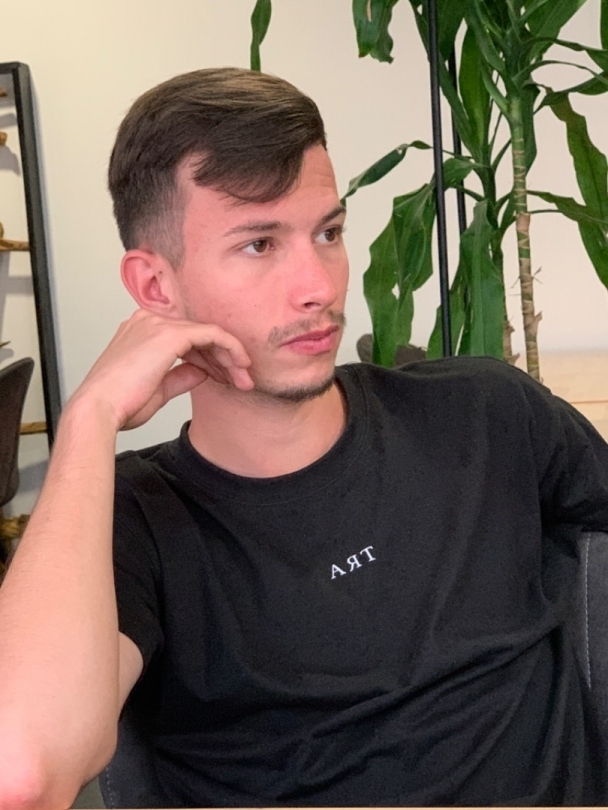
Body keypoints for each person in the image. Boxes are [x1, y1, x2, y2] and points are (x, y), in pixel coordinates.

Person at [1, 67, 608, 810]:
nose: (318, 286)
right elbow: (20, 771)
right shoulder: (134, 520)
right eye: (260, 244)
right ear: (157, 288)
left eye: (328, 232)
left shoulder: (485, 414)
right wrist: (88, 419)